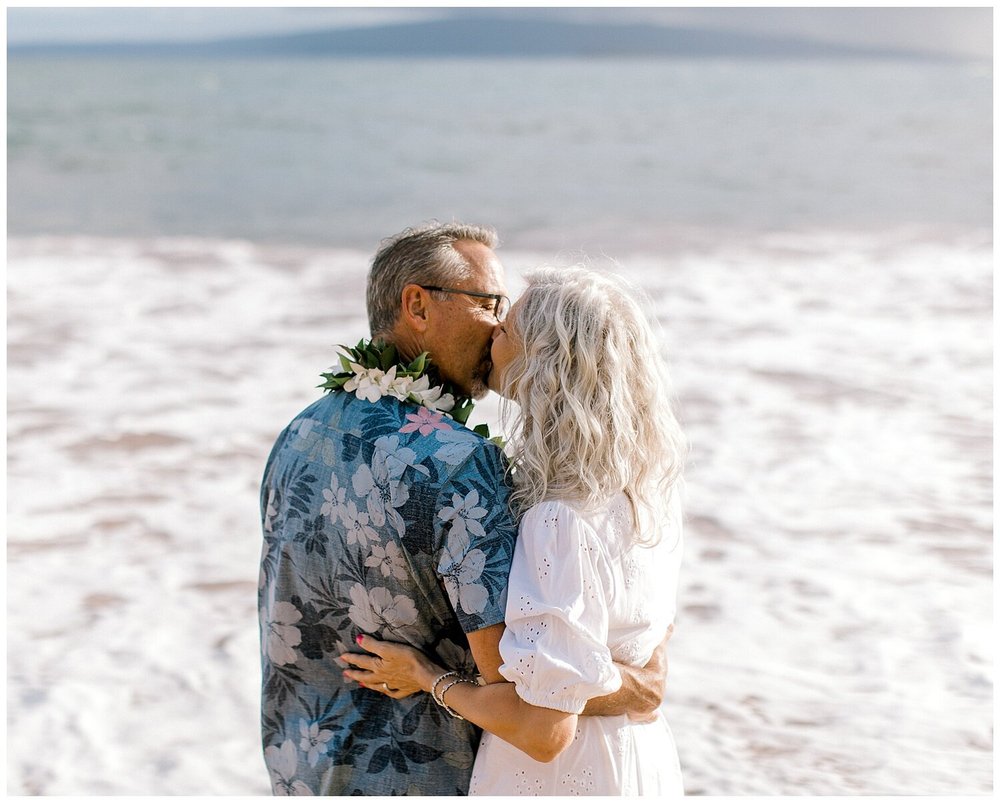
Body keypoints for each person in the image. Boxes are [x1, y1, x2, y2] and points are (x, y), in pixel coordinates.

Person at [258, 224, 669, 796]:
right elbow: (525, 686)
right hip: (425, 775)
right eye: (489, 302)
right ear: (418, 305)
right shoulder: (458, 462)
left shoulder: (299, 433)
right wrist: (638, 687)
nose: (501, 323)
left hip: (305, 769)